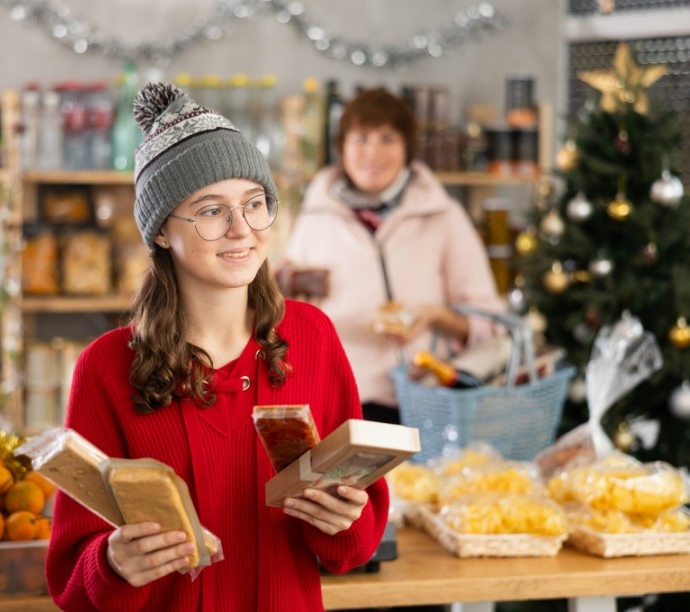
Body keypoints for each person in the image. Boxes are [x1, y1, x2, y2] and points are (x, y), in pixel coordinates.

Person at [46, 82, 389, 611]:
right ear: (162, 231)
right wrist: (112, 564)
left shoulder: (312, 337)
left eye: (255, 204)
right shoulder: (107, 368)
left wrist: (345, 518)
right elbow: (74, 579)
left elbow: (352, 547)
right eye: (211, 211)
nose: (241, 230)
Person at [283, 87, 504, 423]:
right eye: (360, 139)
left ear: (407, 149)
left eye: (387, 139)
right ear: (341, 148)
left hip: (425, 400)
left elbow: (488, 322)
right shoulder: (315, 215)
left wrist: (432, 316)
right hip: (333, 401)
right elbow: (289, 311)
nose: (372, 152)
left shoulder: (444, 216)